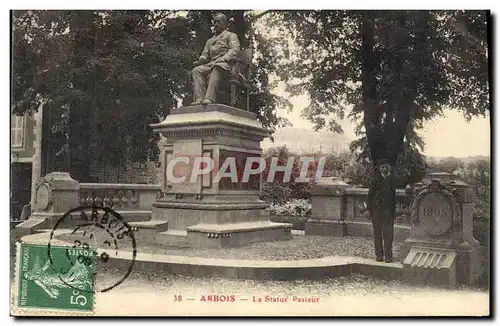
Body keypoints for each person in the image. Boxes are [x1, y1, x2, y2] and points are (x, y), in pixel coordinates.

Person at [191, 13, 240, 105]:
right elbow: (205, 54)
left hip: (227, 66)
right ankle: (199, 99)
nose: (216, 24)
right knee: (196, 70)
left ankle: (209, 98)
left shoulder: (231, 35)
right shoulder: (209, 40)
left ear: (225, 24)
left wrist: (224, 59)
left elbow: (234, 49)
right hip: (211, 64)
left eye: (218, 22)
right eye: (214, 22)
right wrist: (201, 59)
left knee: (217, 66)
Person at [367, 159, 397, 263]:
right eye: (383, 167)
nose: (385, 168)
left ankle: (388, 256)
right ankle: (379, 255)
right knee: (377, 234)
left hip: (388, 211)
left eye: (386, 166)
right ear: (380, 169)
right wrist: (369, 210)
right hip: (377, 211)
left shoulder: (392, 180)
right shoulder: (375, 179)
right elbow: (370, 196)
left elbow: (393, 197)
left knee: (388, 234)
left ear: (390, 168)